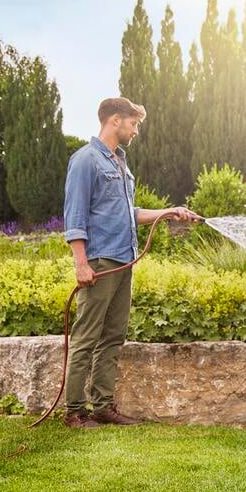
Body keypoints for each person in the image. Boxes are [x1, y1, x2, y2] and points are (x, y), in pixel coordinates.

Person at [62, 97, 201, 429]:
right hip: (100, 262)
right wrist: (81, 263)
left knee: (113, 336)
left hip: (124, 261)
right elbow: (75, 216)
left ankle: (102, 405)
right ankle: (73, 412)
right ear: (114, 120)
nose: (136, 130)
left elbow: (130, 214)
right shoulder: (86, 161)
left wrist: (168, 212)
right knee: (86, 336)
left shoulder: (120, 163)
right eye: (133, 123)